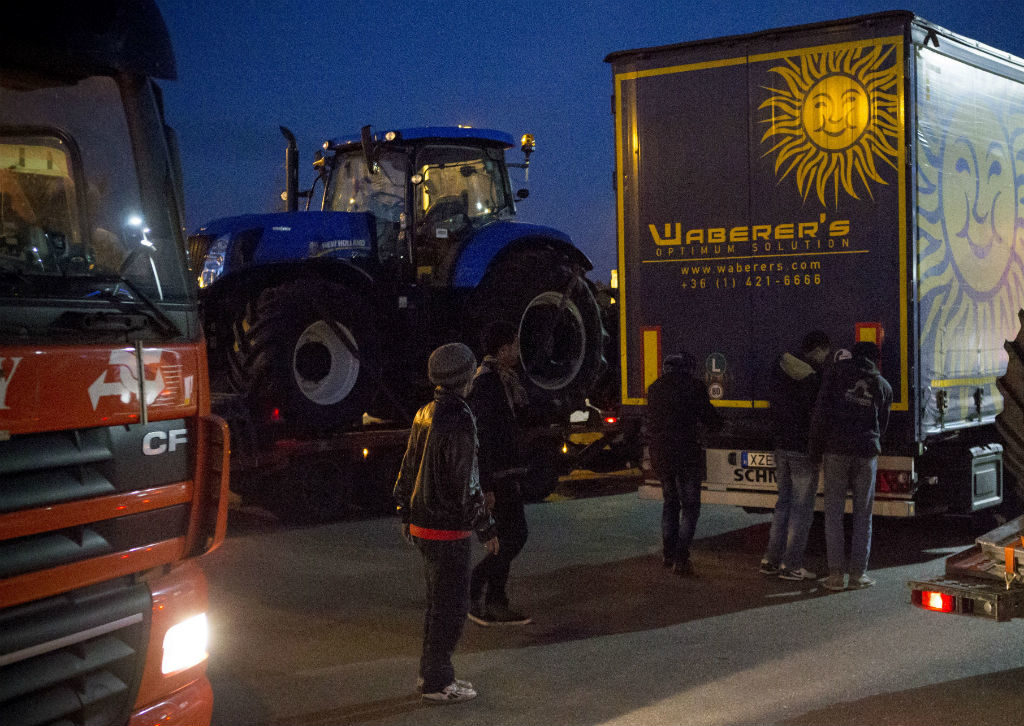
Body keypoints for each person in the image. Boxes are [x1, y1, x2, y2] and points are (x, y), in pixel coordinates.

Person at [393, 342, 499, 704]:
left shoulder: (424, 412)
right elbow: (466, 481)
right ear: (465, 377)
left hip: (423, 524)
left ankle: (432, 675)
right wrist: (486, 527)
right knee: (452, 609)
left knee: (436, 605)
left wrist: (404, 512)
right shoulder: (461, 419)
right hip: (447, 528)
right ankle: (439, 682)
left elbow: (408, 468)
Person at [809, 340, 893, 592]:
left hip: (835, 451)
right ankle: (858, 575)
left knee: (833, 514)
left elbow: (820, 413)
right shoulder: (882, 385)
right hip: (866, 454)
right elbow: (883, 424)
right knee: (863, 515)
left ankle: (835, 576)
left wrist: (815, 450)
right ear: (875, 360)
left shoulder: (835, 374)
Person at [466, 320, 533, 626]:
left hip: (506, 471)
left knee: (510, 534)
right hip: (499, 474)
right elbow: (484, 436)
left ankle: (489, 595)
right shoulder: (487, 383)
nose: (519, 352)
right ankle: (486, 593)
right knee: (515, 534)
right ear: (504, 349)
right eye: (516, 345)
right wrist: (488, 483)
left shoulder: (502, 380)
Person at [759, 330, 832, 581]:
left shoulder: (779, 370)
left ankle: (771, 559)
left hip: (780, 446)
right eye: (826, 353)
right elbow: (815, 417)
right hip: (801, 448)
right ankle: (791, 565)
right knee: (802, 510)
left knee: (783, 505)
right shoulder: (811, 379)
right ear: (818, 350)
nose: (826, 358)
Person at [645, 351, 723, 577]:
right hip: (687, 453)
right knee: (690, 507)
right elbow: (711, 420)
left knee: (670, 502)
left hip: (661, 453)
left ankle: (668, 555)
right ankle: (681, 557)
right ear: (688, 368)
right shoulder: (693, 386)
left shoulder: (655, 388)